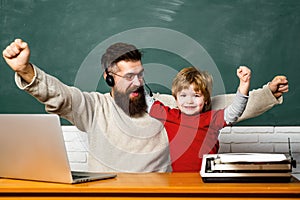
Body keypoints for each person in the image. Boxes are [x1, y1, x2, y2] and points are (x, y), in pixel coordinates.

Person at [2, 39, 288, 172]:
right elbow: (59, 95)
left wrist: (266, 92)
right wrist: (27, 71)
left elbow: (220, 107)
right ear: (108, 78)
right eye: (128, 77)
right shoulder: (92, 106)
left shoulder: (163, 106)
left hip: (161, 192)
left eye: (140, 74)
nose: (138, 82)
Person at [149, 66, 251, 172]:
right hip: (178, 181)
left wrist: (244, 85)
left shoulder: (212, 118)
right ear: (176, 98)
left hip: (208, 180)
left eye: (196, 96)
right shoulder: (169, 116)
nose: (189, 101)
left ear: (206, 99)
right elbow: (146, 102)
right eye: (183, 95)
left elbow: (234, 112)